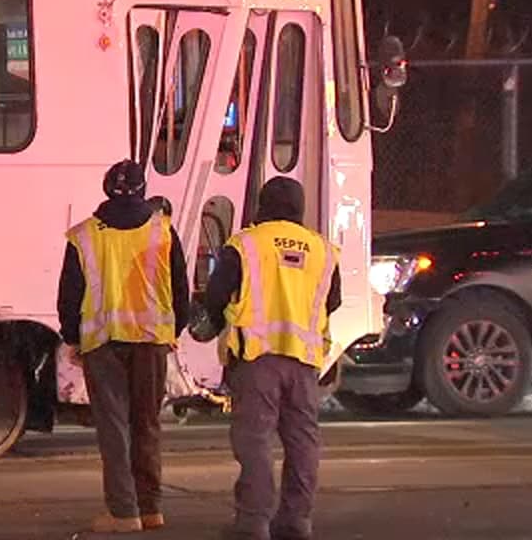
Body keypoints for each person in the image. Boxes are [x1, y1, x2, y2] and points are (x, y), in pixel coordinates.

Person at [193, 177, 341, 540]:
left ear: (263, 205)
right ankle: (296, 521)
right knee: (303, 441)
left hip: (257, 359)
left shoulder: (245, 244)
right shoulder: (323, 250)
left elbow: (216, 296)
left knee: (255, 440)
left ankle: (253, 522)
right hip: (304, 362)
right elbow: (332, 301)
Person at [57, 159, 191, 533]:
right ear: (143, 189)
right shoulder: (163, 231)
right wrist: (173, 330)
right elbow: (180, 289)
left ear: (106, 189)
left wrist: (72, 339)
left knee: (115, 429)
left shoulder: (84, 235)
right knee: (147, 424)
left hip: (103, 344)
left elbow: (70, 295)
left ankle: (123, 512)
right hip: (152, 343)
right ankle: (151, 509)